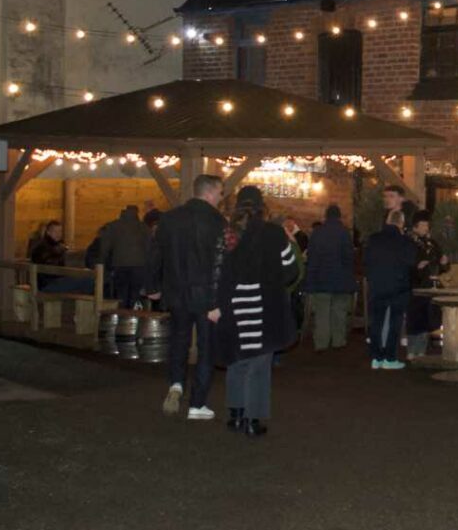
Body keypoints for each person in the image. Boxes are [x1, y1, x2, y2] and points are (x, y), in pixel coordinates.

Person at [211, 186, 299, 437]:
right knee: (259, 365)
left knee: (237, 359)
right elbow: (291, 270)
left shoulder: (228, 232)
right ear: (262, 206)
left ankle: (236, 414)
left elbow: (216, 270)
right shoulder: (274, 233)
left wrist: (215, 304)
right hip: (264, 305)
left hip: (235, 305)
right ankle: (252, 419)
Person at [147, 174, 227, 420]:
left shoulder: (169, 219)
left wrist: (153, 286)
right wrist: (217, 301)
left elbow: (155, 254)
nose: (221, 198)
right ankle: (197, 404)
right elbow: (220, 263)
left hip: (176, 291)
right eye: (221, 193)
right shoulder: (217, 221)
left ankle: (176, 384)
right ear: (212, 193)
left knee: (179, 340)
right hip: (205, 296)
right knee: (206, 348)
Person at [364, 209, 417, 370]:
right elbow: (412, 262)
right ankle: (390, 358)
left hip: (377, 285)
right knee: (395, 323)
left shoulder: (373, 239)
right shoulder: (406, 242)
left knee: (376, 323)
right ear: (401, 223)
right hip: (398, 287)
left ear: (387, 221)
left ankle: (376, 357)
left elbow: (366, 260)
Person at [304, 204, 356, 351]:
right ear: (339, 216)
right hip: (341, 279)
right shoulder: (345, 233)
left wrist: (310, 280)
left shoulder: (317, 232)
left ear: (326, 216)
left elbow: (312, 257)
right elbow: (349, 258)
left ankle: (321, 343)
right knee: (339, 312)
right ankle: (338, 341)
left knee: (322, 312)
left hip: (321, 279)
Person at [405, 210, 450, 359]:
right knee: (414, 318)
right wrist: (417, 267)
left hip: (430, 285)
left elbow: (442, 264)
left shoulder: (432, 243)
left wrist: (444, 263)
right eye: (423, 225)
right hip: (415, 286)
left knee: (427, 319)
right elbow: (404, 265)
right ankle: (412, 350)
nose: (426, 228)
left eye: (427, 225)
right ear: (415, 227)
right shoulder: (408, 243)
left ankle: (422, 351)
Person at [99, 205, 152, 308]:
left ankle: (121, 316)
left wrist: (102, 264)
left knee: (121, 293)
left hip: (119, 265)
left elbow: (104, 248)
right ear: (137, 213)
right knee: (135, 294)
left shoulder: (113, 226)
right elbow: (149, 248)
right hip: (139, 266)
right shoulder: (143, 227)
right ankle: (134, 316)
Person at [30, 221, 67, 290]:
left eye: (60, 231)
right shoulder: (41, 247)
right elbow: (48, 267)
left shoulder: (58, 245)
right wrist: (58, 252)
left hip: (58, 280)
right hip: (47, 283)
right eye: (55, 232)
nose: (58, 234)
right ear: (48, 232)